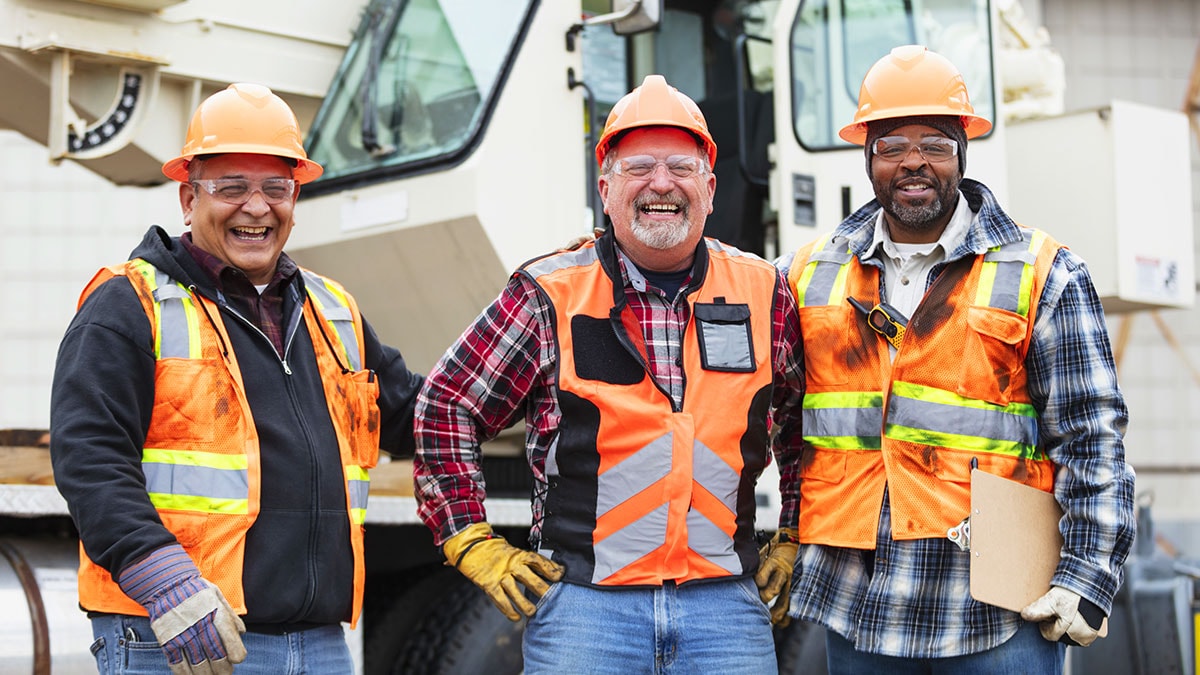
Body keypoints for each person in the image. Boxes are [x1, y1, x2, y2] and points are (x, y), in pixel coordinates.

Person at [413, 74, 807, 674]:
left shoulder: (763, 290)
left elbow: (805, 417)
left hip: (724, 609)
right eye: (639, 166)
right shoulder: (549, 292)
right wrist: (468, 538)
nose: (661, 183)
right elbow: (445, 406)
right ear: (605, 187)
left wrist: (796, 529)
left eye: (681, 166)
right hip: (585, 612)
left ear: (709, 186)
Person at [774, 45, 1135, 673]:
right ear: (867, 156)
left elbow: (1092, 436)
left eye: (935, 143)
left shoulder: (1044, 274)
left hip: (998, 608)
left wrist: (1089, 576)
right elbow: (772, 421)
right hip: (861, 608)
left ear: (962, 151)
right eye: (892, 145)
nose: (914, 162)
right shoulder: (806, 275)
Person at [50, 82, 424, 674]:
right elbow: (90, 459)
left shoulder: (333, 311)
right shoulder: (130, 304)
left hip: (319, 642)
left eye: (277, 188)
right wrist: (164, 582)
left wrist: (530, 358)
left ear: (295, 199)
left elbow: (416, 417)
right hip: (180, 634)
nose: (257, 207)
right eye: (231, 188)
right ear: (186, 198)